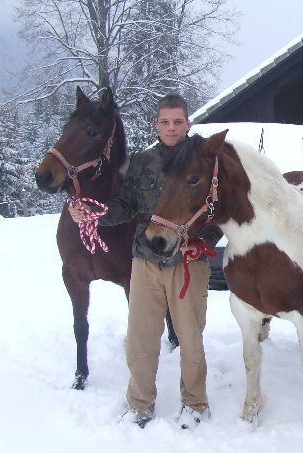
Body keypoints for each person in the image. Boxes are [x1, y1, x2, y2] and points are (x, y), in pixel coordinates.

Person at [69, 93, 222, 428]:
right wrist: (94, 215)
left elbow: (218, 213)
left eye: (178, 121)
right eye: (165, 121)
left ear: (188, 123)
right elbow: (125, 206)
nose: (171, 128)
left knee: (191, 338)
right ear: (156, 124)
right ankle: (139, 403)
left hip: (186, 262)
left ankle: (195, 403)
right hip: (145, 261)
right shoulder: (142, 162)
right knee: (140, 338)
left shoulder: (204, 160)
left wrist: (203, 242)